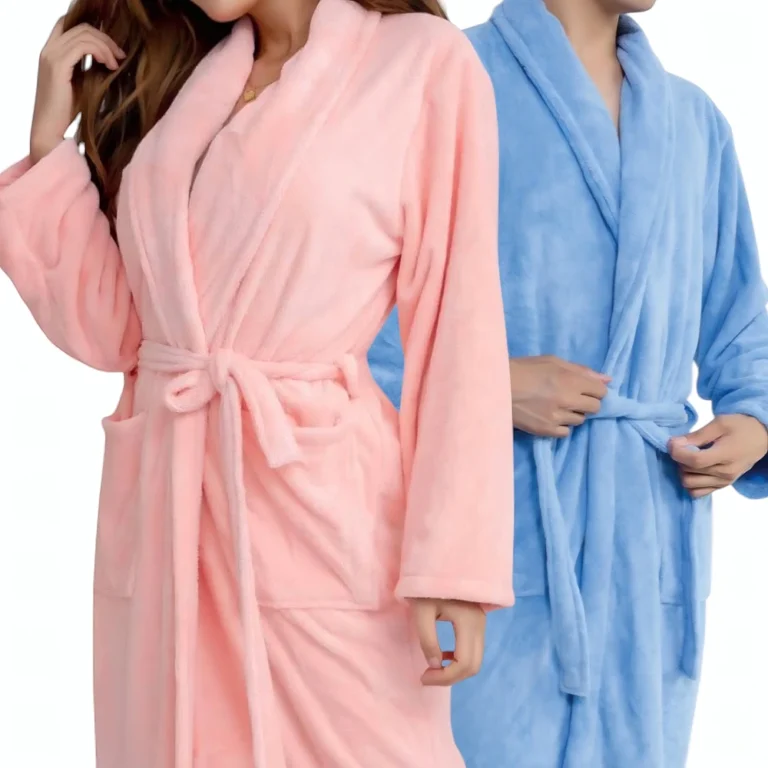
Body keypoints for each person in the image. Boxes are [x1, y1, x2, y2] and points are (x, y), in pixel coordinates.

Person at [0, 0, 516, 766]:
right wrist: (50, 148)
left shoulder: (423, 63)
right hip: (168, 527)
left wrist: (454, 567)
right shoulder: (194, 89)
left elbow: (457, 325)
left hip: (317, 519)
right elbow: (125, 335)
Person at [368, 0, 768, 765]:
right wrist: (486, 385)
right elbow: (346, 325)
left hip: (649, 542)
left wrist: (755, 422)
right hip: (493, 531)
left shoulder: (695, 123)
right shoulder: (447, 78)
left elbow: (741, 322)